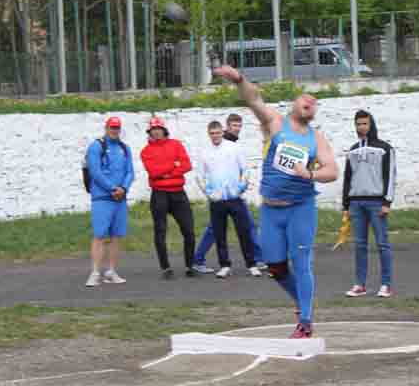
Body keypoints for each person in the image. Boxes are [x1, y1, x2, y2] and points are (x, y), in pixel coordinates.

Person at [212, 65, 339, 339]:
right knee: (275, 266)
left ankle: (305, 320)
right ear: (294, 104)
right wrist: (239, 80)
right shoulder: (275, 123)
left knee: (301, 262)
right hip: (271, 209)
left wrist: (311, 173)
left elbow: (332, 171)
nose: (310, 102)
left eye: (314, 103)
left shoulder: (316, 139)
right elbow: (253, 99)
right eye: (305, 98)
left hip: (301, 209)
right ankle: (302, 300)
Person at [193, 113, 267, 273]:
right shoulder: (208, 150)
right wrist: (209, 193)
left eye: (239, 126)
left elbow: (244, 169)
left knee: (245, 228)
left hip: (234, 197)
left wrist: (240, 188)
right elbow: (200, 175)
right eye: (234, 126)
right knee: (217, 231)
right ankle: (218, 263)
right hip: (218, 199)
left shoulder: (234, 146)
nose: (237, 129)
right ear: (226, 127)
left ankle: (254, 262)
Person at [343, 110, 397, 299]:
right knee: (359, 245)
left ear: (371, 124)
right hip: (356, 203)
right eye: (358, 124)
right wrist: (346, 205)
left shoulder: (385, 148)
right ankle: (360, 284)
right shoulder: (352, 150)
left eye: (364, 123)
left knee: (382, 244)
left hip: (377, 203)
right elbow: (347, 178)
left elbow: (390, 176)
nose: (361, 127)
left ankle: (386, 284)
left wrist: (386, 202)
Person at [139, 116, 196, 280]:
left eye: (158, 129)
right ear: (150, 132)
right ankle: (166, 268)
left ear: (164, 130)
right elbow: (153, 172)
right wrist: (174, 165)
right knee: (160, 231)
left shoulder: (176, 144)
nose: (156, 132)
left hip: (178, 192)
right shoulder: (146, 151)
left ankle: (189, 266)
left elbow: (187, 165)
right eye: (152, 130)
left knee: (189, 230)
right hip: (159, 194)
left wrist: (166, 172)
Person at [84, 117, 134, 287]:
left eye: (117, 128)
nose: (114, 130)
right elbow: (95, 172)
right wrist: (113, 188)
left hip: (120, 198)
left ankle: (111, 271)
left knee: (116, 236)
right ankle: (95, 273)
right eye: (112, 127)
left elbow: (130, 172)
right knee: (99, 235)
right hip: (102, 198)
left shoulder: (124, 148)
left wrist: (124, 188)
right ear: (106, 128)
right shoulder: (96, 146)